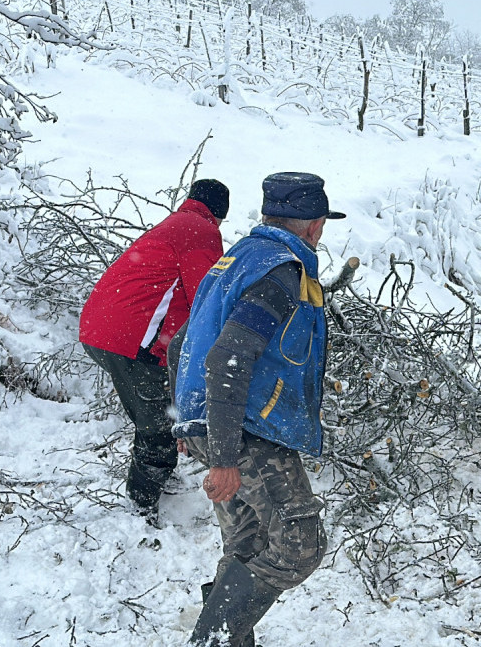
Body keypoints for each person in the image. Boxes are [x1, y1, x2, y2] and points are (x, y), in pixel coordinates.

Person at [170, 172, 342, 647]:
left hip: (218, 421)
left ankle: (225, 642)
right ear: (314, 225)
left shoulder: (238, 258)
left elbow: (181, 343)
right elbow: (228, 355)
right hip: (246, 429)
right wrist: (224, 456)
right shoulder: (280, 272)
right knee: (299, 543)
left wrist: (190, 419)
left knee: (248, 543)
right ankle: (211, 640)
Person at [78, 179, 229, 522]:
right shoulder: (200, 231)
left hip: (101, 330)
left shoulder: (175, 224)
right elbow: (207, 297)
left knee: (157, 405)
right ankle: (140, 506)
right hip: (130, 338)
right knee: (158, 426)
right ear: (219, 215)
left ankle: (155, 477)